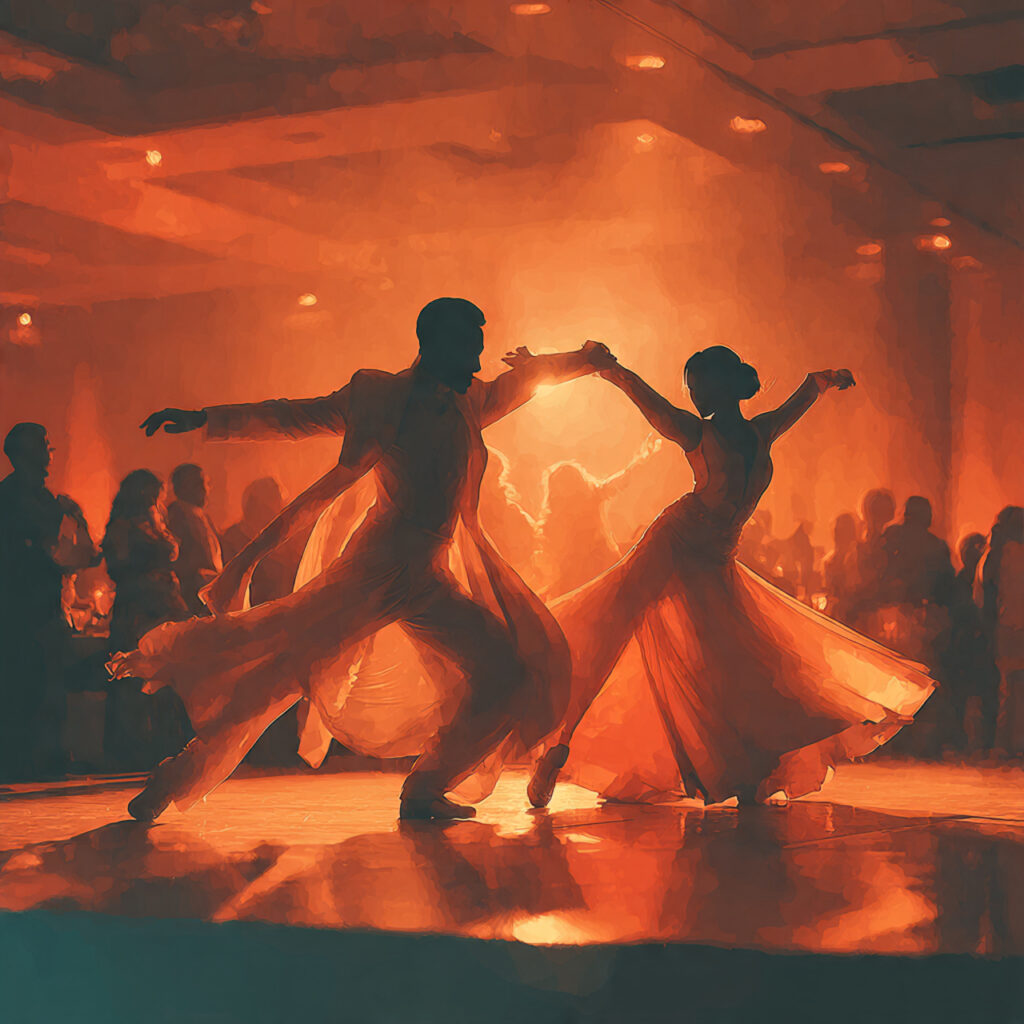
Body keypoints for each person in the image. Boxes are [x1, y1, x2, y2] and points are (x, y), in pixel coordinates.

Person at [111, 297, 607, 821]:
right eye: (469, 352)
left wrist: (586, 357)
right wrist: (206, 418)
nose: (478, 366)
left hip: (430, 575)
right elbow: (293, 416)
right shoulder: (378, 395)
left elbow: (530, 379)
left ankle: (426, 787)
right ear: (434, 345)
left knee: (505, 668)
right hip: (373, 570)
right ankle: (173, 778)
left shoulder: (470, 401)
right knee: (280, 675)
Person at [527, 345, 935, 809]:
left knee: (728, 659)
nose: (693, 393)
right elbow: (649, 402)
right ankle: (557, 749)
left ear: (723, 384)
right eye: (691, 386)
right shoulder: (693, 431)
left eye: (698, 384)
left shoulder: (761, 431)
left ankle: (741, 764)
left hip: (716, 555)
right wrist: (609, 368)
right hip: (675, 542)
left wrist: (823, 381)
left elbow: (798, 399)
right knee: (613, 632)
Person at [0, 423, 97, 779]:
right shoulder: (9, 499)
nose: (49, 454)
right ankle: (20, 761)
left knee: (50, 688)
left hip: (47, 608)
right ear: (22, 454)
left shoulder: (45, 499)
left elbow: (75, 554)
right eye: (44, 446)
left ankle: (47, 758)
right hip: (19, 613)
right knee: (23, 688)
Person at [102, 469, 191, 768]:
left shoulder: (155, 521)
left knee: (167, 675)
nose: (155, 500)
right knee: (137, 675)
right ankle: (133, 749)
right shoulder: (124, 527)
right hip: (139, 610)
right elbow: (118, 567)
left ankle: (165, 745)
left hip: (164, 607)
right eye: (151, 494)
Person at [166, 463, 223, 616]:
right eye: (199, 484)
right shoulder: (175, 517)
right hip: (190, 601)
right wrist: (197, 576)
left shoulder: (204, 517)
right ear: (183, 487)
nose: (206, 489)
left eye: (206, 483)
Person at [822, 512, 860, 624]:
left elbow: (853, 588)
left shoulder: (856, 557)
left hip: (853, 615)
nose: (836, 533)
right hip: (834, 614)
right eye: (836, 529)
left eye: (841, 529)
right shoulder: (828, 560)